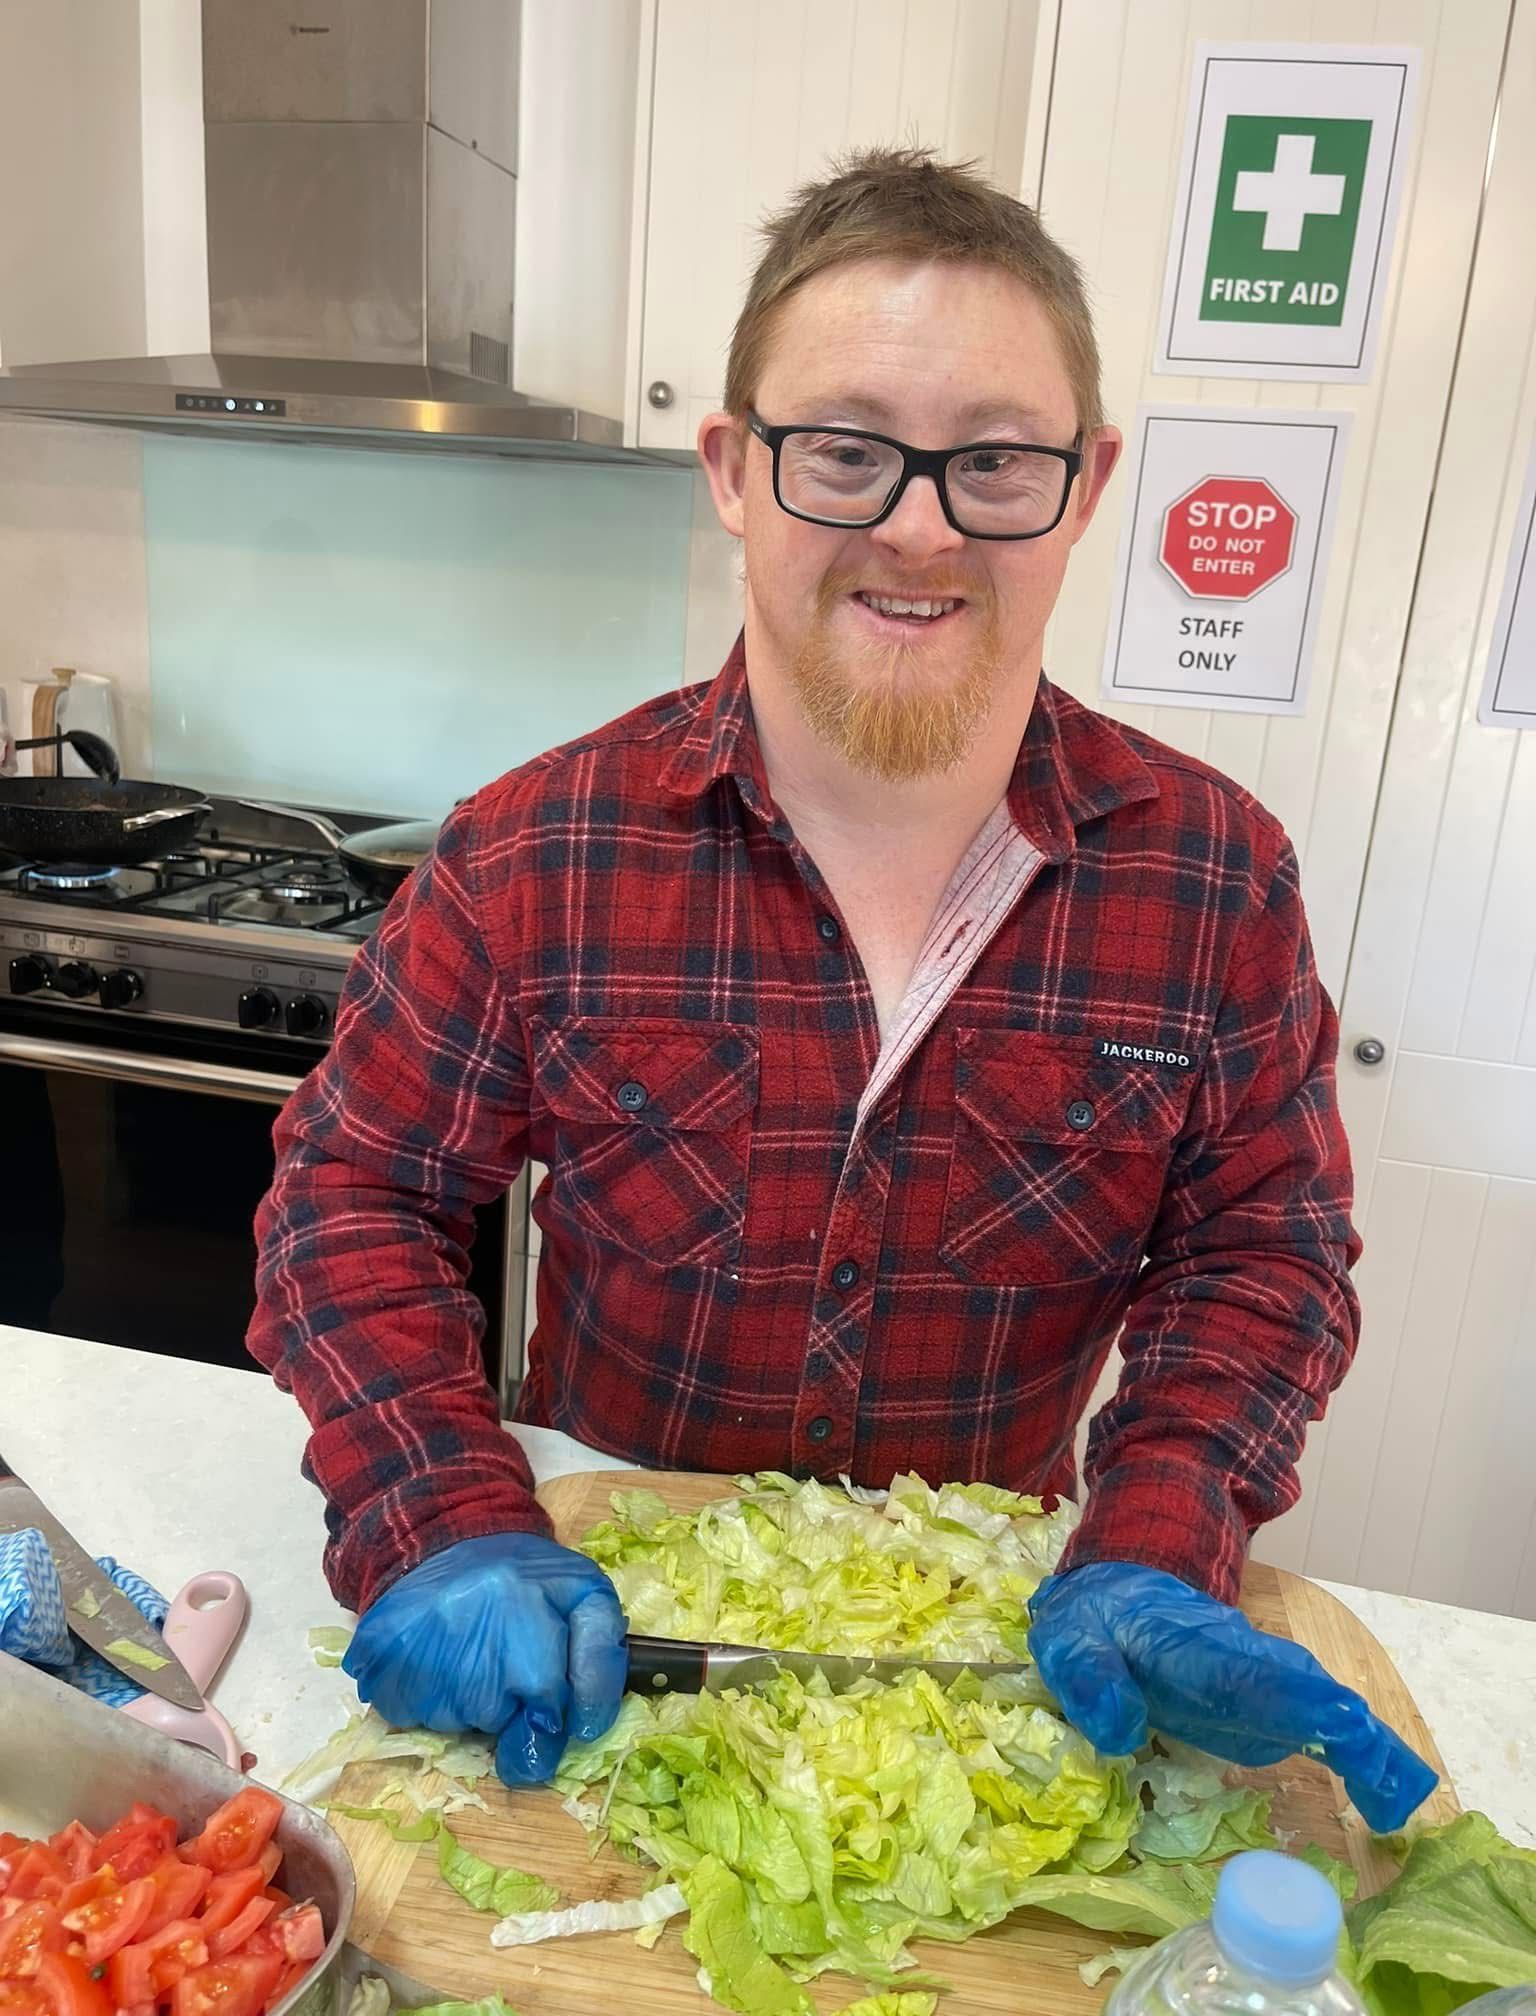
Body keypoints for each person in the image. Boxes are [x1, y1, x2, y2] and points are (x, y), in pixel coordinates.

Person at [248, 147, 1435, 1829]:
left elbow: (1265, 1249)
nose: (921, 524)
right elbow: (352, 1197)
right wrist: (441, 1514)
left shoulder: (1213, 874)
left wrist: (1159, 1537)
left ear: (1084, 486)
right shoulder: (532, 851)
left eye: (996, 461)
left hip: (993, 1676)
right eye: (847, 451)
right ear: (734, 470)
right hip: (591, 1658)